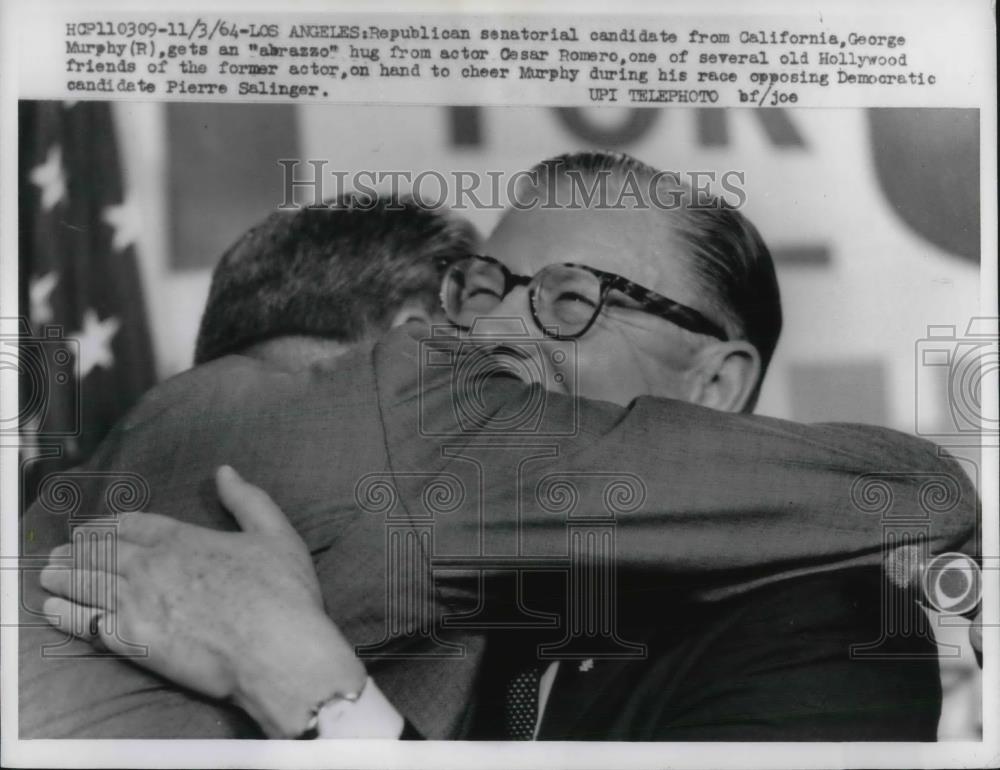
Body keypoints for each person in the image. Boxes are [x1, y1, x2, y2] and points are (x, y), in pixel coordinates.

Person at [33, 154, 978, 740]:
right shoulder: (429, 467)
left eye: (573, 298)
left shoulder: (827, 631)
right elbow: (920, 490)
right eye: (484, 286)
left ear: (717, 384)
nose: (497, 329)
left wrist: (308, 688)